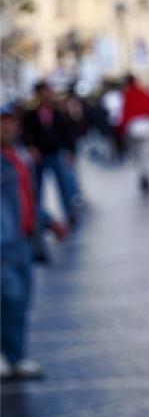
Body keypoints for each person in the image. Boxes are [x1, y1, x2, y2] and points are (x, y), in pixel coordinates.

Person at [1, 104, 68, 379]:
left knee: (21, 300)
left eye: (9, 122)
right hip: (3, 243)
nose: (6, 127)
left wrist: (47, 220)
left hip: (23, 240)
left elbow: (29, 195)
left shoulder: (19, 156)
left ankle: (15, 357)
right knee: (8, 296)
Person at [21, 81, 78, 225]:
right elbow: (26, 134)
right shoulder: (31, 115)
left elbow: (66, 132)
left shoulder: (57, 112)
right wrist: (31, 147)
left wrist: (70, 150)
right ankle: (38, 218)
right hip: (40, 156)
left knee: (64, 185)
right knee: (37, 189)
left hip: (55, 153)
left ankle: (69, 213)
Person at [118, 74, 149, 194]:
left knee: (137, 154)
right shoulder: (145, 92)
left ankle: (143, 174)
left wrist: (121, 129)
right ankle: (146, 173)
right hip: (148, 127)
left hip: (134, 128)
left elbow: (124, 113)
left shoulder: (127, 95)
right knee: (147, 152)